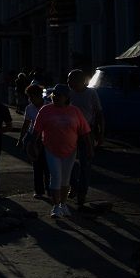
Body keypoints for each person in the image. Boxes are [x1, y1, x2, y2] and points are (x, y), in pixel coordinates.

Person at [33, 83, 93, 218]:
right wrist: (33, 146)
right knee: (56, 176)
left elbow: (85, 132)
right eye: (54, 95)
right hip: (51, 149)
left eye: (59, 95)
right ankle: (55, 206)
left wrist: (89, 148)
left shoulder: (75, 111)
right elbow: (36, 131)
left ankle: (63, 204)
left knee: (66, 179)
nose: (55, 97)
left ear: (66, 97)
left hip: (70, 150)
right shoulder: (45, 110)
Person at [67, 69, 105, 209]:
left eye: (71, 79)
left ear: (81, 81)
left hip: (87, 132)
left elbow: (100, 114)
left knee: (85, 164)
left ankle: (81, 194)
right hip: (70, 131)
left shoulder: (91, 93)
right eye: (68, 79)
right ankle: (74, 186)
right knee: (67, 162)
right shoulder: (69, 94)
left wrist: (101, 134)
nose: (68, 82)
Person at [17, 84, 50, 199]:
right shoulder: (29, 108)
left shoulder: (49, 106)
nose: (30, 99)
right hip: (33, 137)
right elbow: (26, 125)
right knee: (36, 165)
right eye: (29, 97)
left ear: (39, 95)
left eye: (32, 97)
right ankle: (39, 190)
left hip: (46, 138)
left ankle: (50, 189)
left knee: (48, 165)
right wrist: (21, 139)